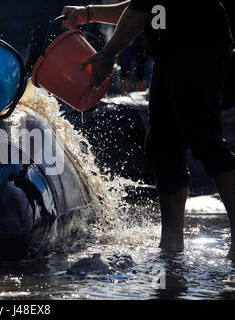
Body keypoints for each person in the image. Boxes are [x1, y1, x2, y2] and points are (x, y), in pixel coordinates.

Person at [62, 1, 235, 259]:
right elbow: (145, 7)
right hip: (169, 53)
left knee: (205, 141)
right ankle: (171, 245)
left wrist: (107, 55)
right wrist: (90, 14)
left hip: (199, 47)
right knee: (162, 147)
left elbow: (139, 12)